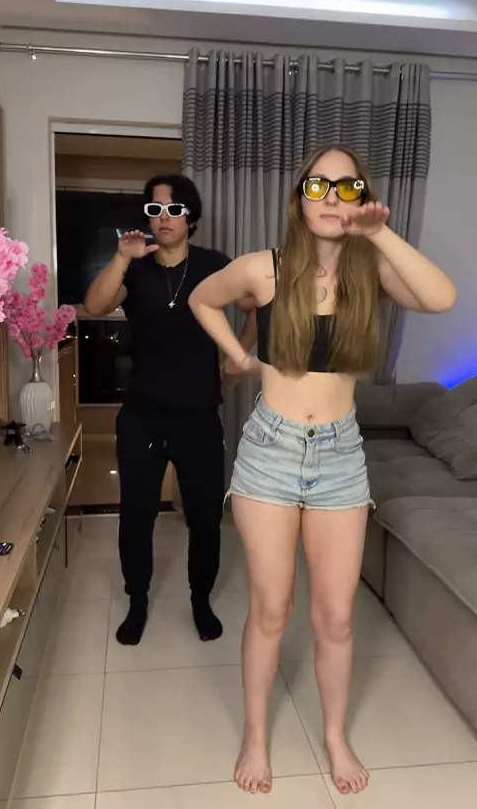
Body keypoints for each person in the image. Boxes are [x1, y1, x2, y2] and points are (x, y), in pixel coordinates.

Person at [188, 146, 457, 796]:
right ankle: (256, 736)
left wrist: (378, 232)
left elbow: (442, 297)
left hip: (340, 455)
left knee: (336, 618)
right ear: (300, 197)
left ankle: (335, 737)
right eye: (319, 186)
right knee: (271, 610)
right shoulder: (265, 269)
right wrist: (238, 358)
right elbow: (201, 298)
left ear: (363, 197)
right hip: (270, 453)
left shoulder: (372, 274)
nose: (332, 198)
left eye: (347, 187)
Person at [84, 174, 256, 647]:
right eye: (155, 209)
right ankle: (137, 601)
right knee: (136, 515)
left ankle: (200, 600)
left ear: (191, 218)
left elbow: (259, 304)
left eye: (174, 209)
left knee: (204, 517)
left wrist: (238, 356)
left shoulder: (214, 266)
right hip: (142, 412)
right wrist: (122, 256)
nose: (164, 218)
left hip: (198, 414)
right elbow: (95, 305)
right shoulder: (135, 266)